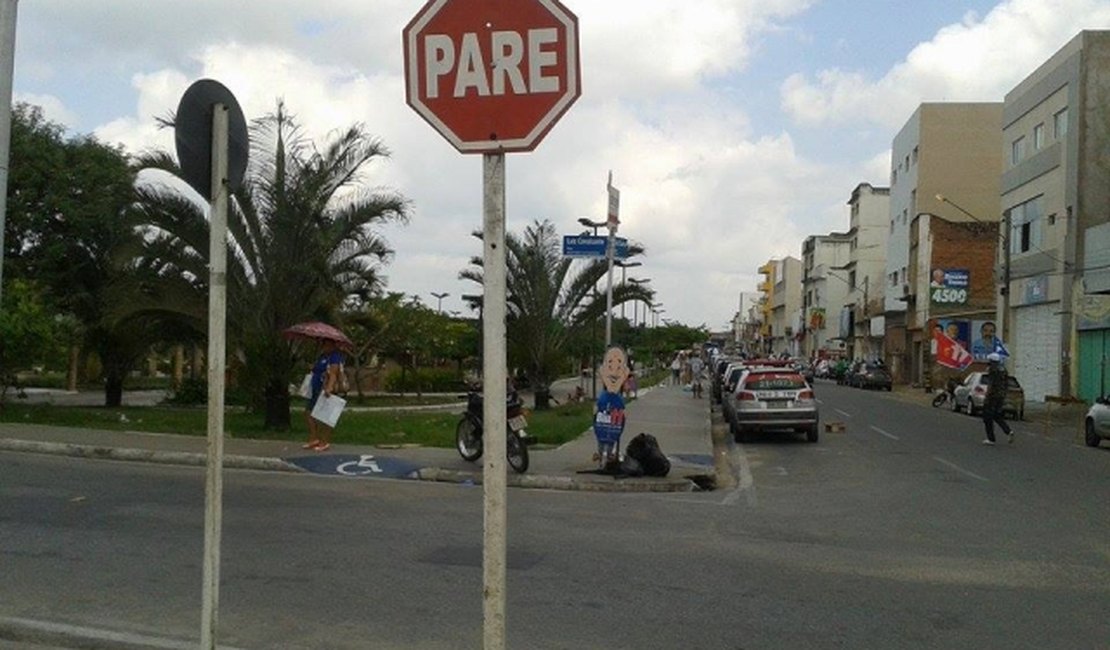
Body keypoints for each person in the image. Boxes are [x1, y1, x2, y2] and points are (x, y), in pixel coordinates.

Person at [303, 339, 344, 451]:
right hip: (315, 389)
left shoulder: (334, 357)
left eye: (326, 344)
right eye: (323, 344)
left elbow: (333, 374)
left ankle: (324, 441)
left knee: (326, 416)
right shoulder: (322, 356)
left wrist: (329, 387)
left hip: (325, 389)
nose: (324, 346)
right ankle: (314, 437)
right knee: (308, 412)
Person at [981, 352, 1014, 446]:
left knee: (987, 417)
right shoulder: (1004, 370)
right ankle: (1008, 431)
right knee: (997, 415)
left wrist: (987, 396)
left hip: (992, 396)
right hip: (1001, 396)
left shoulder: (993, 370)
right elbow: (1007, 384)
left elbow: (991, 385)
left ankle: (991, 438)